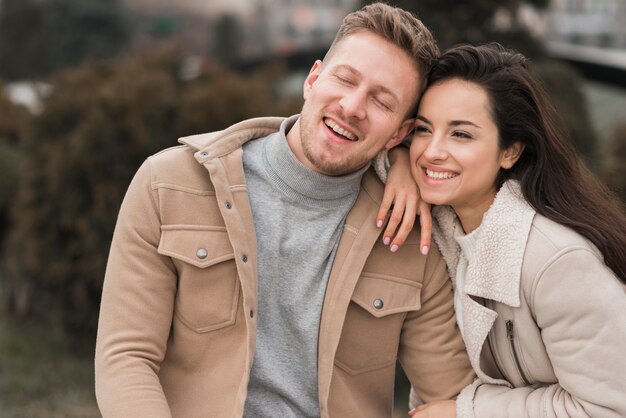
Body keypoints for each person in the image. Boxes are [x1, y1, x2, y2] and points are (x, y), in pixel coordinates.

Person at [94, 4, 475, 417]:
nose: (351, 106)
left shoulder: (409, 236)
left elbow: (449, 397)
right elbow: (126, 357)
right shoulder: (169, 184)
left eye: (382, 103)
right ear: (313, 79)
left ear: (399, 134)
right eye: (344, 79)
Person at [376, 43, 626, 417]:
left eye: (461, 134)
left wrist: (466, 412)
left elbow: (609, 407)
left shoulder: (556, 261)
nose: (431, 152)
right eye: (425, 130)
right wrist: (398, 162)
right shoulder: (450, 229)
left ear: (510, 152)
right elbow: (357, 148)